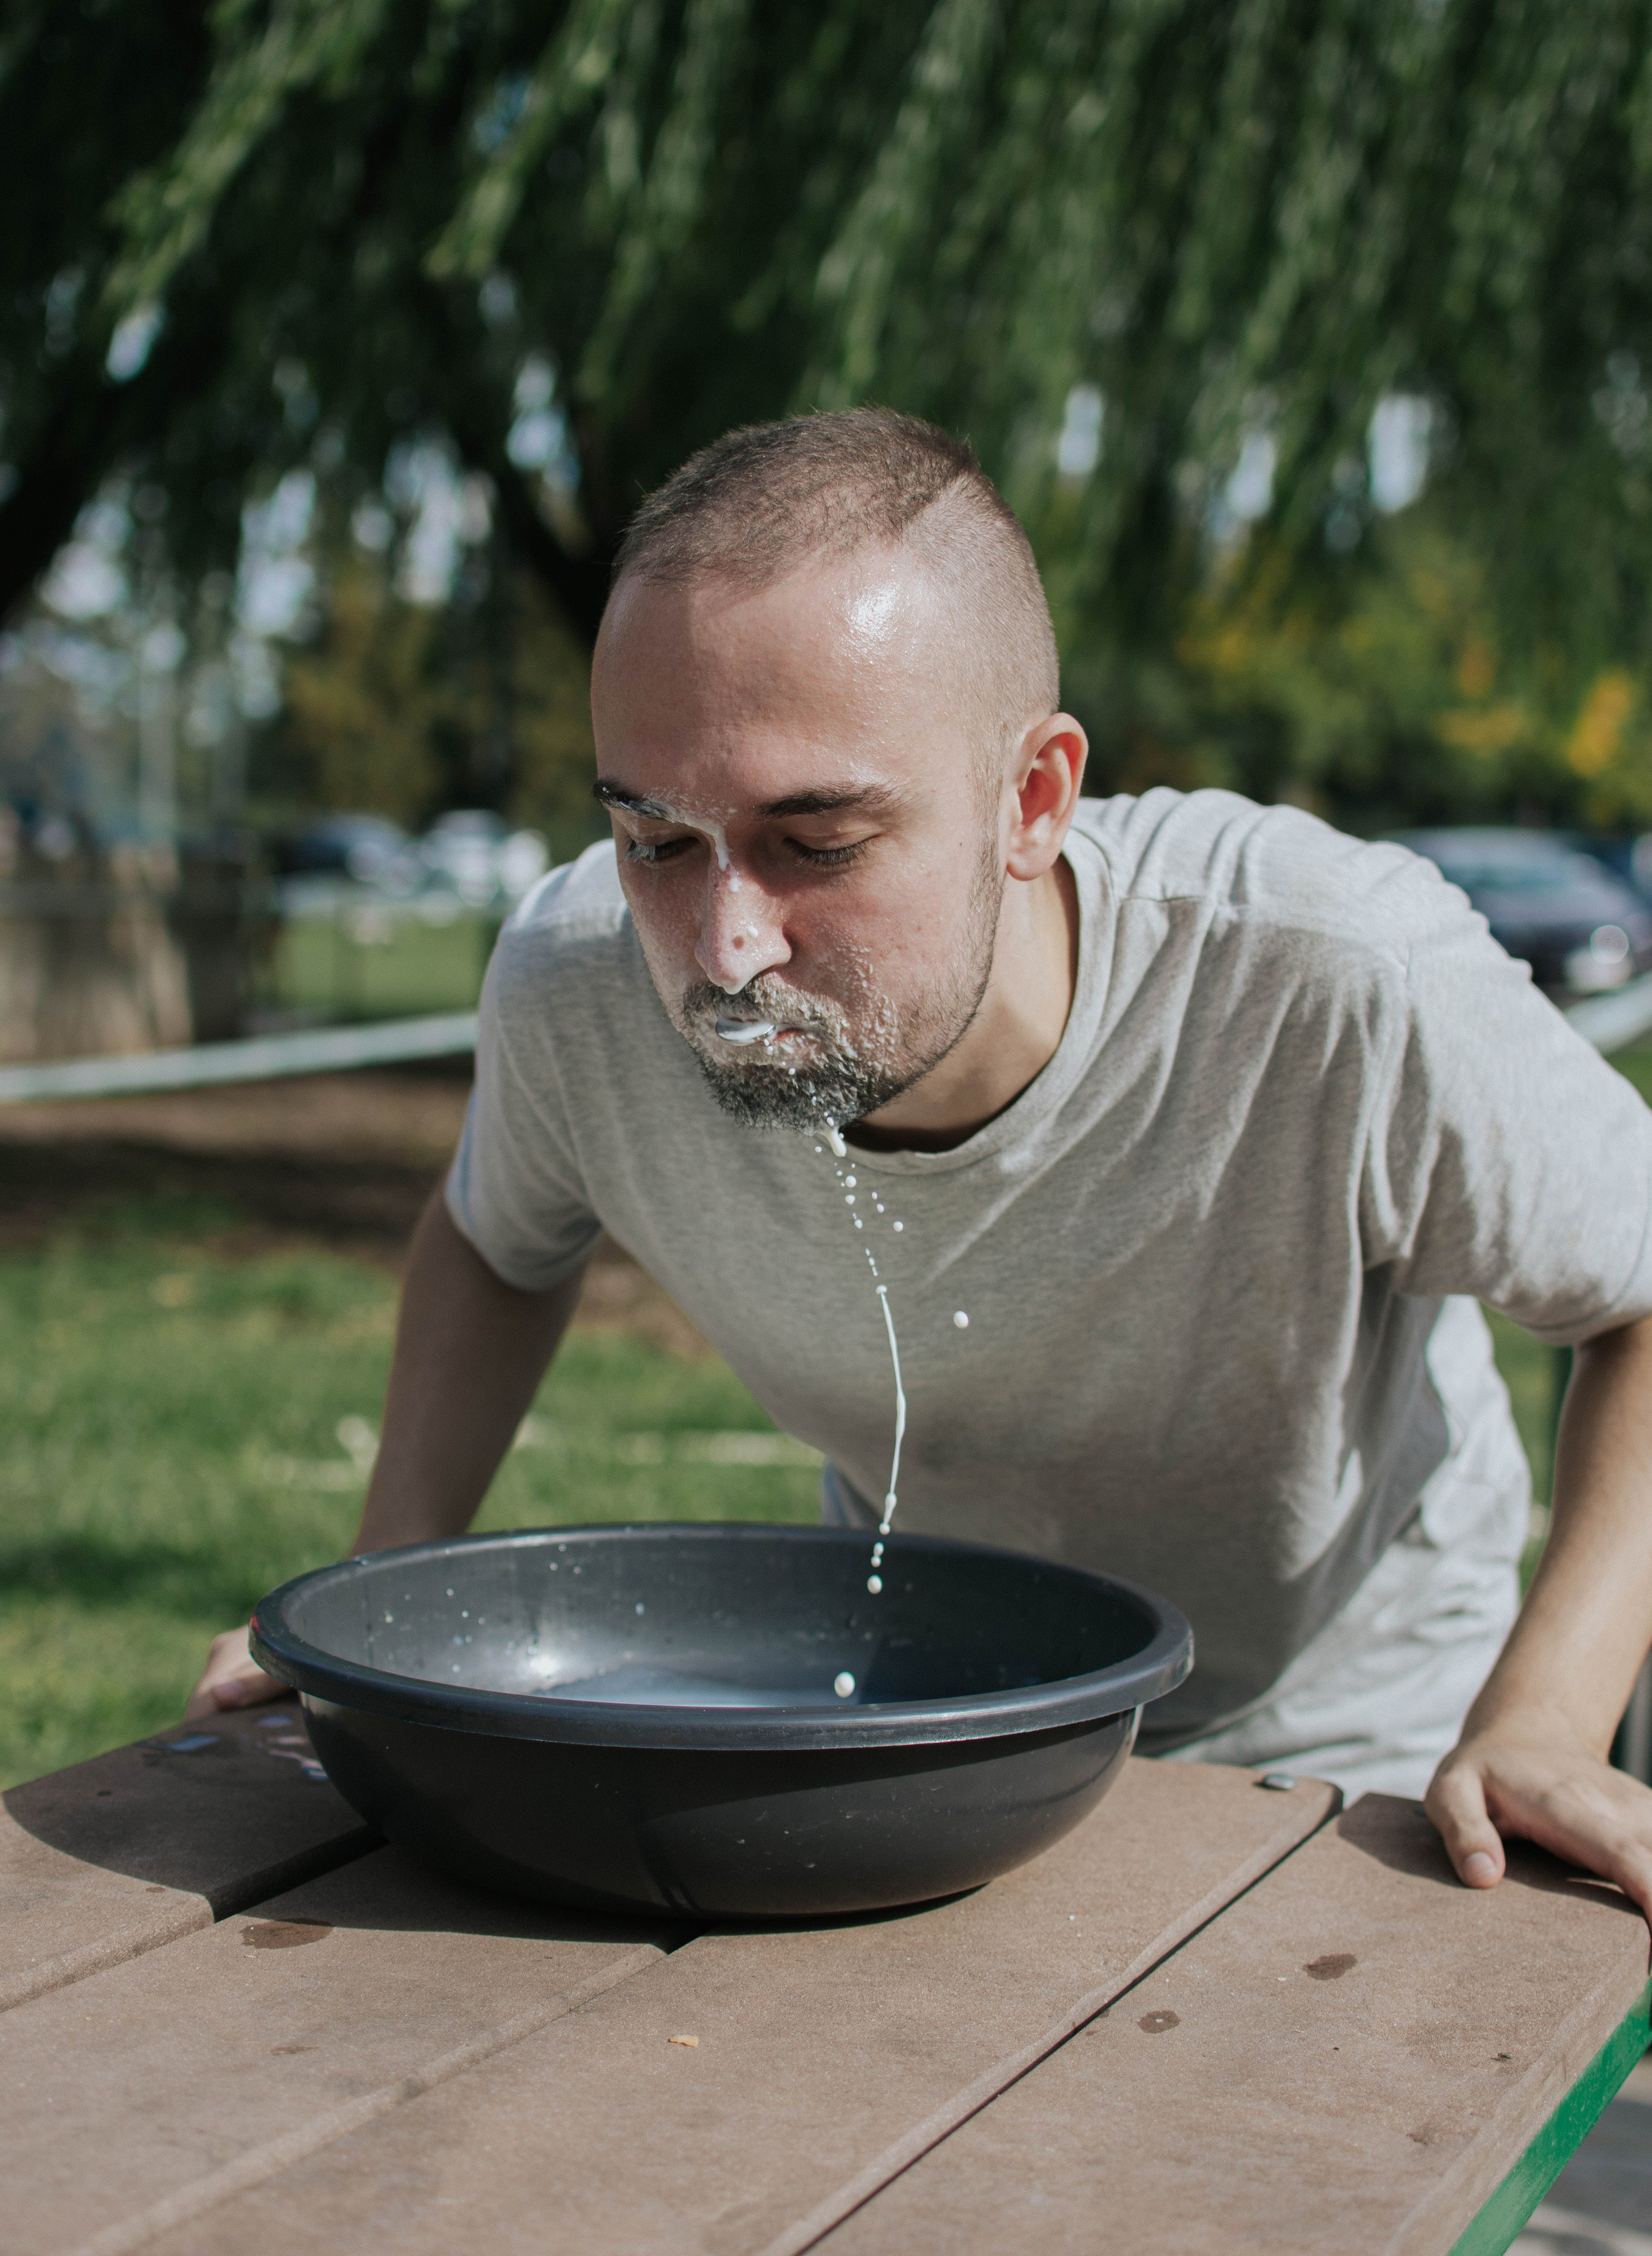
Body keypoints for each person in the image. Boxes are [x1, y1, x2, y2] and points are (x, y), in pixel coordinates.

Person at [190, 408, 1652, 1917]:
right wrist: (369, 1625)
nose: (724, 946)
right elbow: (499, 1241)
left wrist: (1547, 1715)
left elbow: (1639, 1293)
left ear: (1032, 800)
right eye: (655, 837)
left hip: (1350, 1731)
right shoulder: (577, 985)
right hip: (914, 1702)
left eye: (812, 843)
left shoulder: (1330, 977)